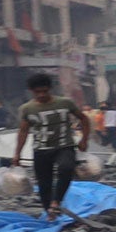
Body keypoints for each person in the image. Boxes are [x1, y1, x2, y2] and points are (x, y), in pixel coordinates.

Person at [13, 73, 88, 222]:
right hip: (41, 149)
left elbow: (84, 119)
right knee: (43, 184)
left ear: (50, 89)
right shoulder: (27, 109)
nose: (41, 95)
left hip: (64, 146)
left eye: (44, 91)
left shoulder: (65, 103)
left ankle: (56, 202)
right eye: (37, 92)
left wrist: (84, 140)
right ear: (31, 91)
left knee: (66, 168)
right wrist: (17, 154)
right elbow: (23, 131)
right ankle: (50, 212)